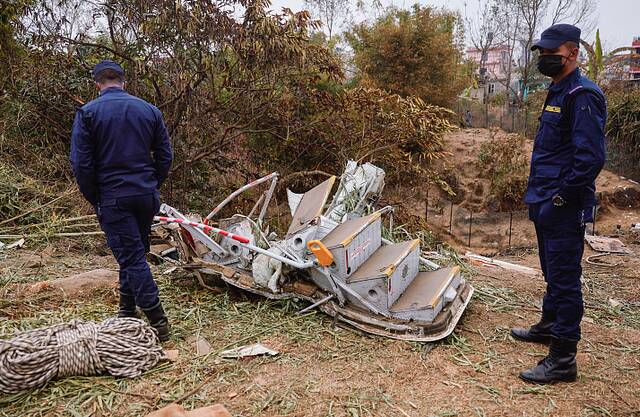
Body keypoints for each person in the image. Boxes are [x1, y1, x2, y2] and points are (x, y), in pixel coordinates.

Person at [511, 24, 606, 384]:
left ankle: (563, 357)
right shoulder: (556, 90)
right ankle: (550, 325)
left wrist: (562, 197)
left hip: (562, 203)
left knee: (565, 279)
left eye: (551, 52)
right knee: (552, 270)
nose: (545, 58)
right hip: (543, 198)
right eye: (542, 53)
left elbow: (590, 159)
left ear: (572, 53)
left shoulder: (583, 95)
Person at [70, 60, 174, 341]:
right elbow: (165, 155)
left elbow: (81, 164)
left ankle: (158, 320)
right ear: (124, 81)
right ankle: (127, 311)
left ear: (97, 84)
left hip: (114, 196)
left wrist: (96, 196)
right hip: (145, 195)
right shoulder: (149, 110)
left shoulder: (88, 113)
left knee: (132, 257)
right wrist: (152, 184)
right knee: (133, 254)